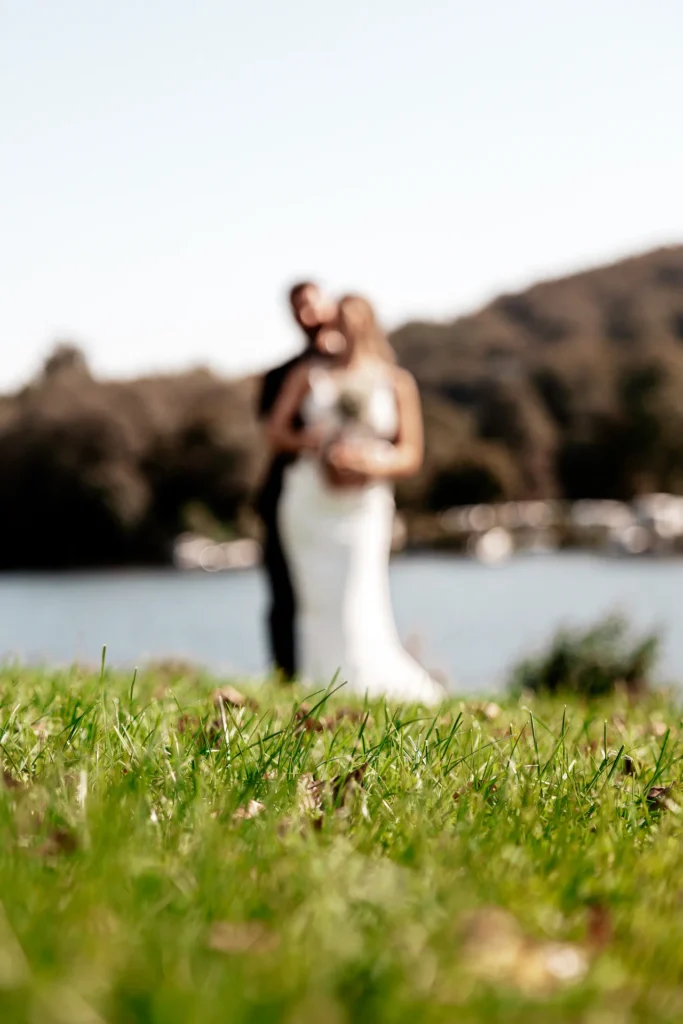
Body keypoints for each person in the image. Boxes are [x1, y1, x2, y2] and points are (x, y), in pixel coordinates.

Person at [266, 294, 445, 705]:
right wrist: (313, 443)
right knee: (316, 597)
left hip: (364, 505)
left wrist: (369, 463)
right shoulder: (309, 374)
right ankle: (318, 683)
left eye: (350, 322)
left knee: (359, 593)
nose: (342, 330)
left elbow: (410, 454)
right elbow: (276, 433)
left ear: (367, 324)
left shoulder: (396, 381)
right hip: (311, 501)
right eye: (337, 322)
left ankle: (367, 683)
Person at [256, 281, 337, 680]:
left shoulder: (369, 368)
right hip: (293, 496)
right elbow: (272, 433)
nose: (305, 314)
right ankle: (286, 676)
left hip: (350, 504)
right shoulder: (281, 375)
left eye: (310, 303)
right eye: (296, 307)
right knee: (284, 593)